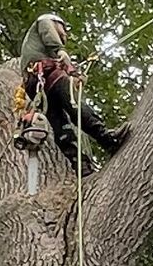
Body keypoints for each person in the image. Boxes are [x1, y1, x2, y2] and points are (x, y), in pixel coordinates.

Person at [17, 14, 130, 168]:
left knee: (59, 124)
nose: (66, 35)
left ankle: (80, 165)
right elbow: (49, 33)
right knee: (74, 106)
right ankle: (107, 138)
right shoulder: (44, 22)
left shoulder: (39, 49)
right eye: (64, 29)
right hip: (47, 76)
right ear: (56, 23)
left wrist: (74, 74)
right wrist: (60, 50)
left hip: (37, 83)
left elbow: (61, 64)